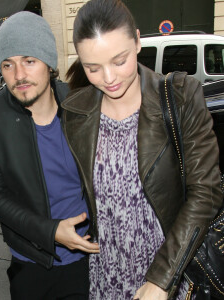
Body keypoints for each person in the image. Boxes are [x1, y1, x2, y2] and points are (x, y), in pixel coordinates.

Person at [61, 0, 223, 299]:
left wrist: (161, 279)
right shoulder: (76, 112)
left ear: (137, 41)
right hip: (105, 272)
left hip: (169, 272)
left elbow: (207, 192)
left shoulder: (179, 97)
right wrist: (51, 227)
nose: (108, 78)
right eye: (92, 68)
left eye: (118, 60)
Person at [0, 11, 99, 300]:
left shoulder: (82, 105)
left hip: (90, 260)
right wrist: (50, 231)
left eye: (29, 60)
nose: (19, 76)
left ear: (49, 63)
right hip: (30, 264)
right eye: (8, 64)